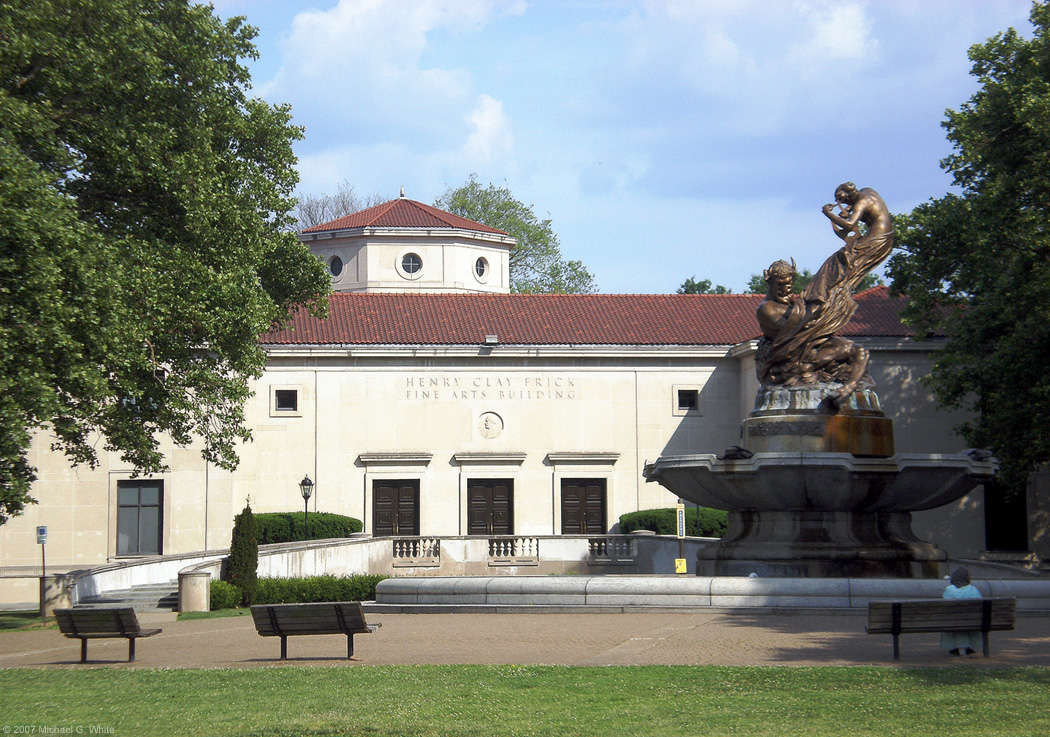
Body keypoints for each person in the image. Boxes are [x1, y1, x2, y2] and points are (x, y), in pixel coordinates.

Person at [941, 567, 983, 656]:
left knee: (955, 621)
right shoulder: (973, 590)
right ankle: (967, 647)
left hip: (951, 623)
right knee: (966, 621)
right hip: (973, 622)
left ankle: (958, 647)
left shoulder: (949, 590)